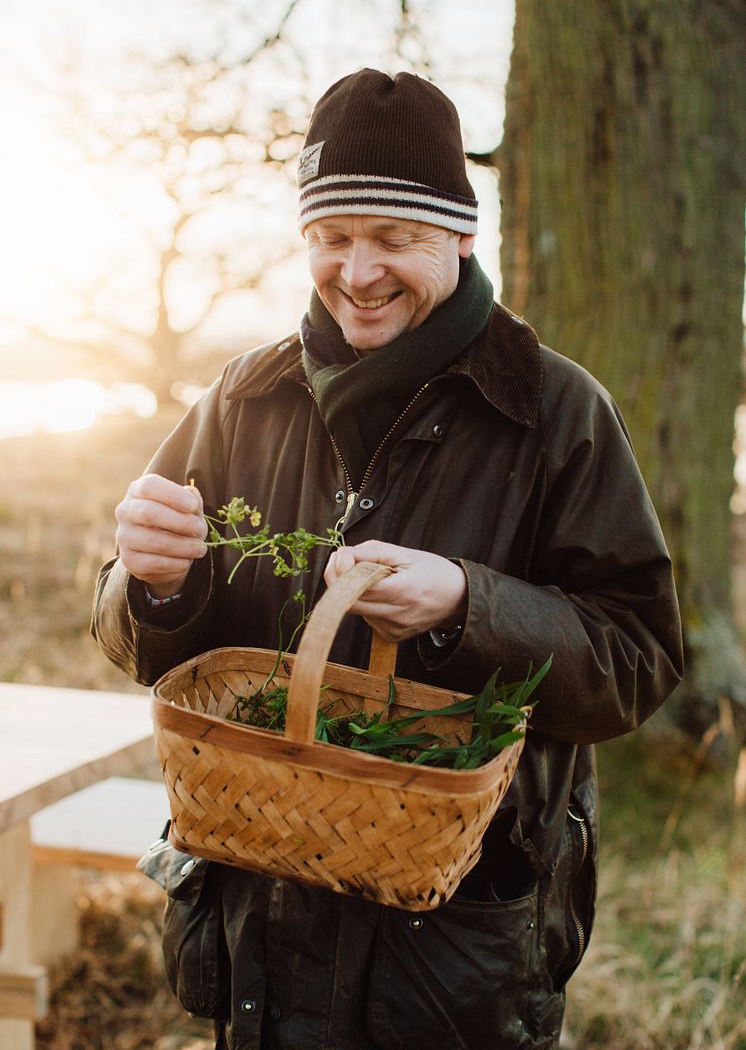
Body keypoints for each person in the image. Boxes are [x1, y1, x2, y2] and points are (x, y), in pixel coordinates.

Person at [92, 68, 683, 1050]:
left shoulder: (554, 414)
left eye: (393, 238)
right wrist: (155, 585)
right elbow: (130, 635)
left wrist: (467, 609)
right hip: (257, 945)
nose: (356, 272)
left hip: (451, 962)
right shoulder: (242, 399)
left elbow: (637, 661)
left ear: (460, 233)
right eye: (330, 237)